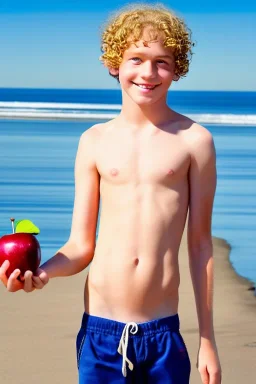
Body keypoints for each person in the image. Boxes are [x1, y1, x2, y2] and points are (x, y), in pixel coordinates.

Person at [0, 3, 222, 384]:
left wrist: (207, 339)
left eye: (162, 61)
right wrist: (41, 272)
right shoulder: (94, 141)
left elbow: (200, 246)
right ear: (114, 62)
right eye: (136, 58)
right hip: (100, 335)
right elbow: (80, 246)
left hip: (163, 334)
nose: (148, 73)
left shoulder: (195, 141)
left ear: (177, 68)